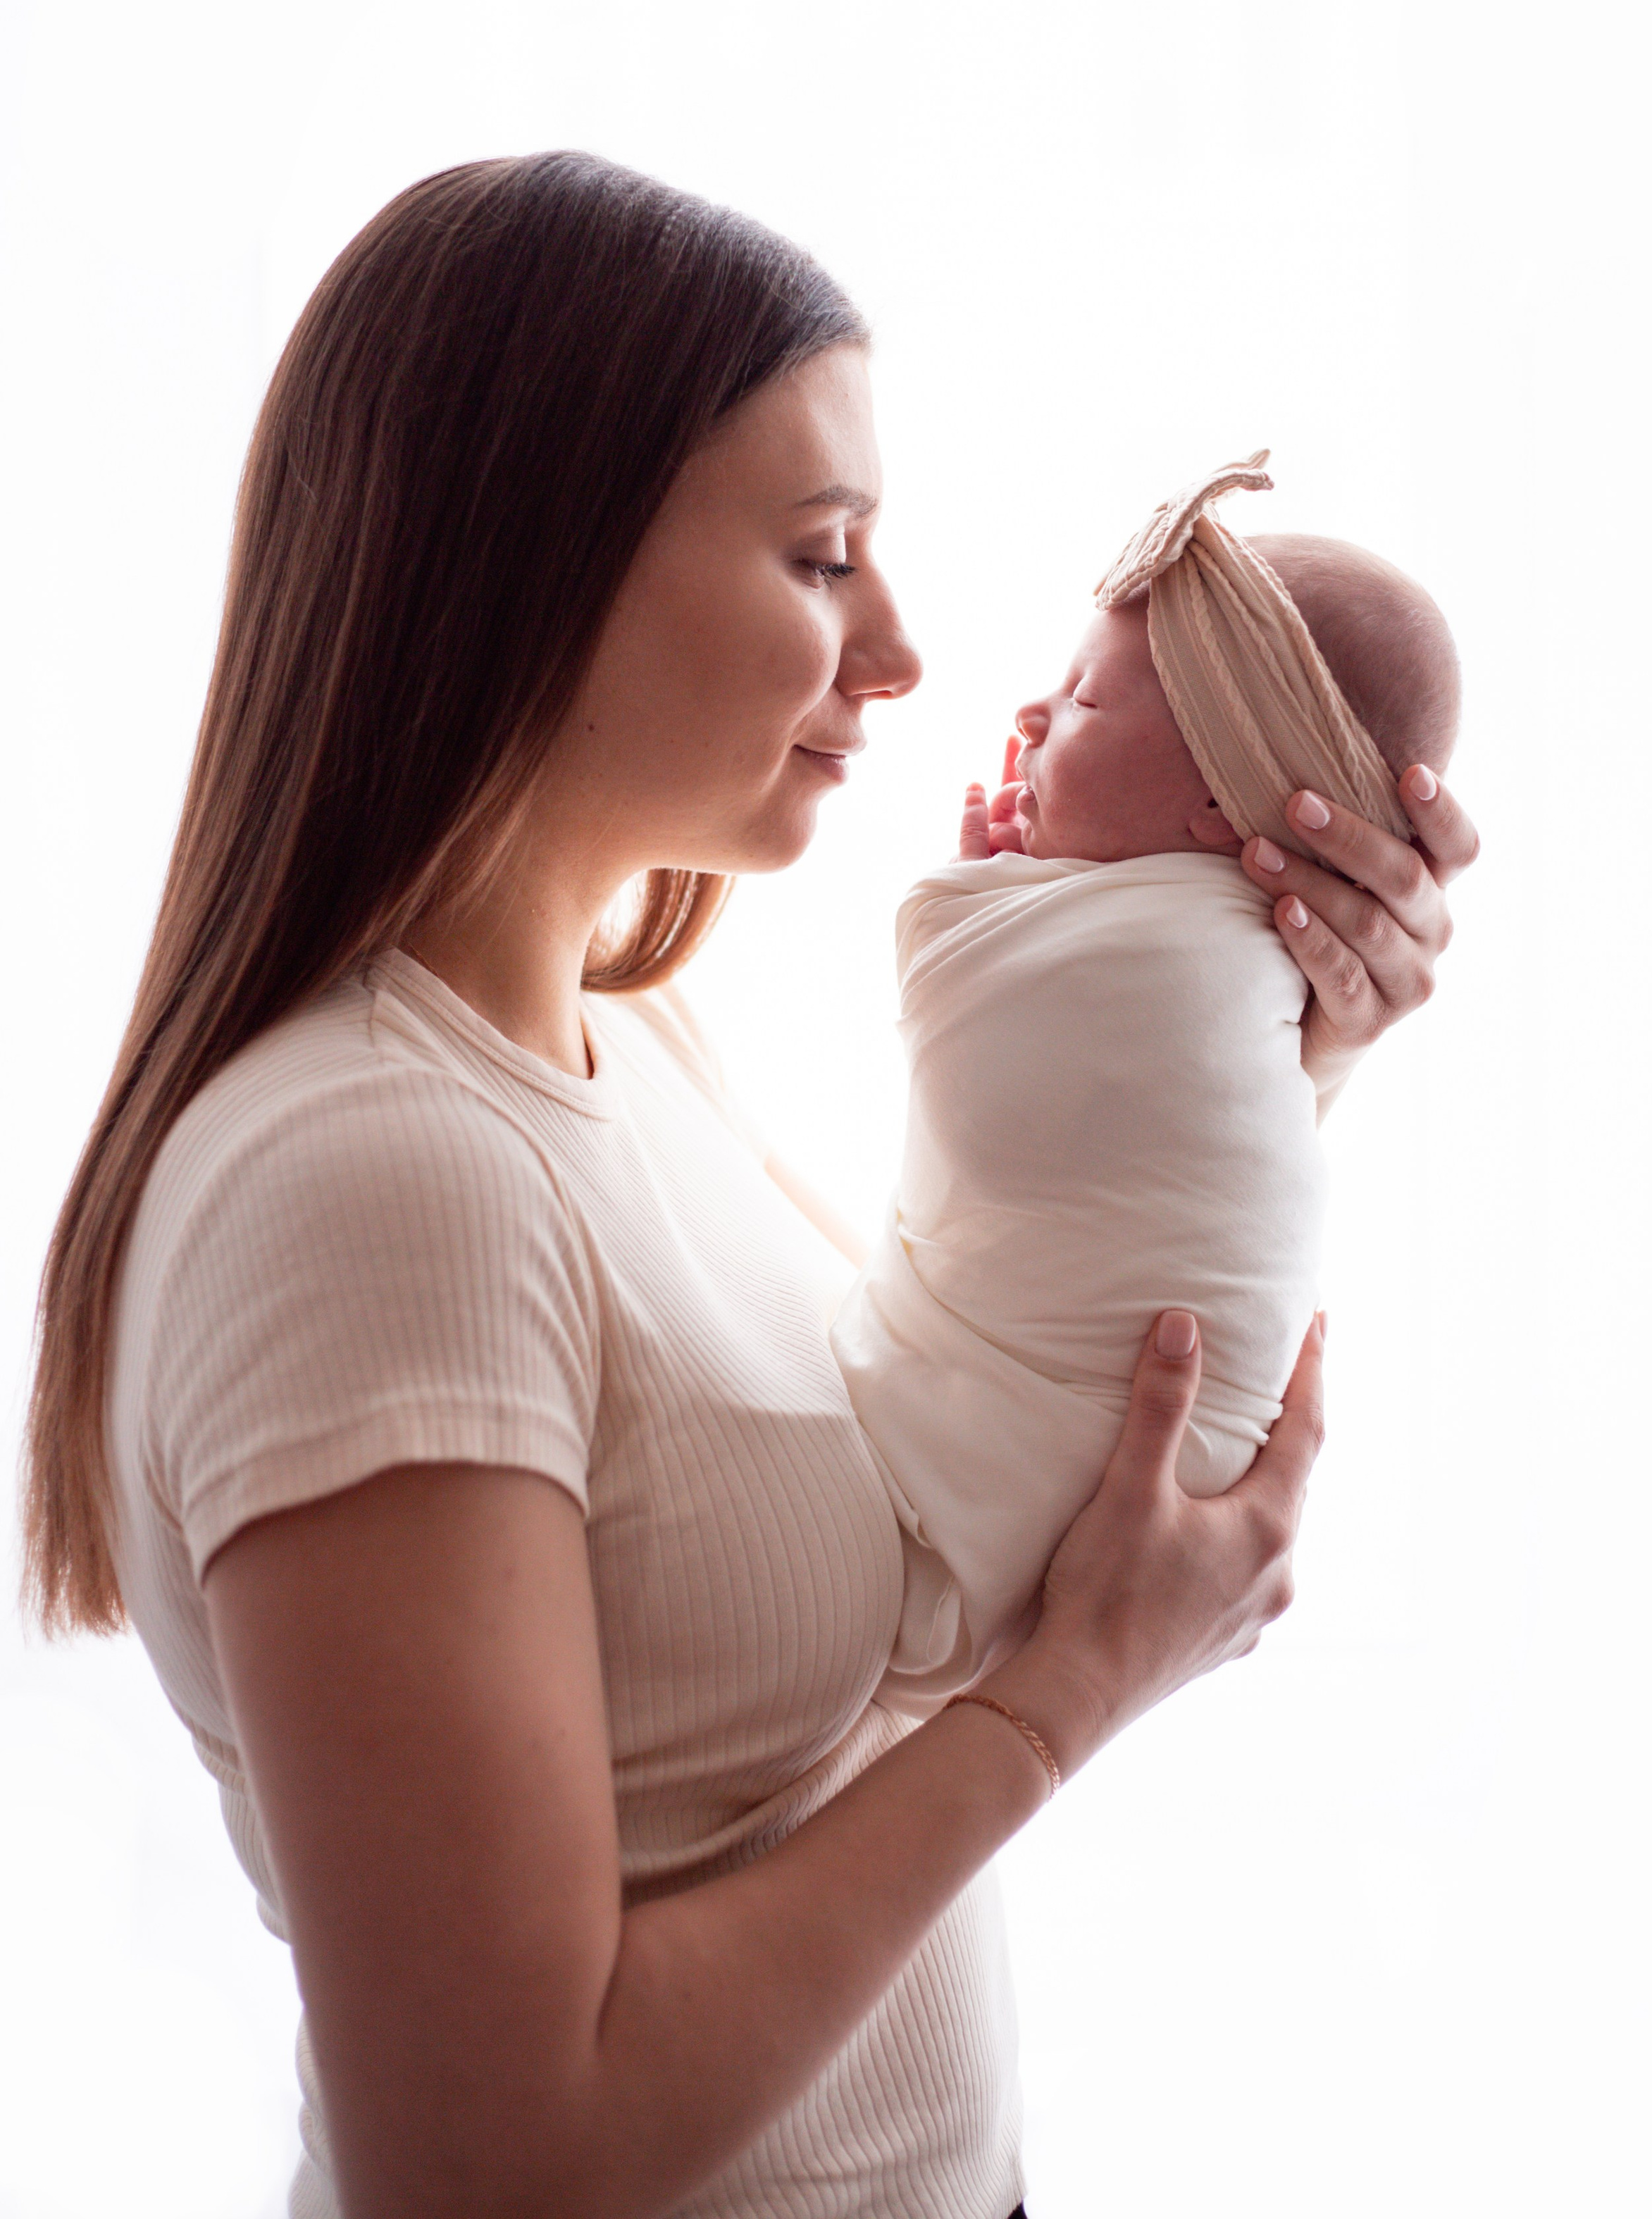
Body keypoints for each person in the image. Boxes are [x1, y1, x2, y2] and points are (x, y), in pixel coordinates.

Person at [20, 153, 1478, 2219]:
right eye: (820, 557)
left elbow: (955, 1452)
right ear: (527, 561)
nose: (898, 649)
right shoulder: (372, 1184)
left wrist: (1277, 1036)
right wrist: (1068, 1701)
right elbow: (493, 2155)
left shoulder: (625, 1044)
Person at [833, 460, 1462, 1710]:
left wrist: (991, 904)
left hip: (1064, 1490)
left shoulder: (1202, 957)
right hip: (1115, 1506)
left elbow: (988, 1004)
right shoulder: (1202, 942)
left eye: (1082, 701)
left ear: (1225, 805)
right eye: (815, 556)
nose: (1029, 711)